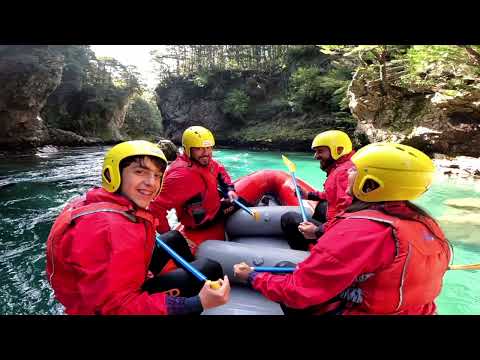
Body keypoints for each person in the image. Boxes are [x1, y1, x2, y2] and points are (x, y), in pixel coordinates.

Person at [234, 143, 451, 315]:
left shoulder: (359, 231)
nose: (348, 174)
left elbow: (298, 292)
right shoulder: (427, 223)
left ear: (372, 183)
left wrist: (253, 277)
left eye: (355, 171)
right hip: (415, 309)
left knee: (285, 267)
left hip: (360, 310)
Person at [46, 140, 230, 315]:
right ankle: (194, 287)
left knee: (173, 237)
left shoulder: (101, 202)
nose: (151, 182)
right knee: (209, 267)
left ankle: (186, 276)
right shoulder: (109, 229)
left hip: (122, 282)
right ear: (112, 174)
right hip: (113, 306)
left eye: (157, 175)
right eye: (140, 172)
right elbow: (114, 308)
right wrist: (196, 302)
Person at [150, 126, 244, 248]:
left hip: (213, 208)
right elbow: (155, 208)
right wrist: (171, 236)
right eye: (199, 149)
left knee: (236, 199)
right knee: (241, 202)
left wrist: (230, 189)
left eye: (208, 148)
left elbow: (221, 173)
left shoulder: (208, 162)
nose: (206, 153)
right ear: (188, 150)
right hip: (204, 222)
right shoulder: (179, 175)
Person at [281, 130, 355, 250]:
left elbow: (348, 216)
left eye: (320, 151)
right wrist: (309, 195)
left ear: (339, 150)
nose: (316, 156)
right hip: (339, 228)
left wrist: (317, 230)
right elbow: (332, 194)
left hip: (341, 235)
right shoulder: (345, 166)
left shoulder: (343, 173)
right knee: (322, 206)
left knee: (288, 218)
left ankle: (303, 253)